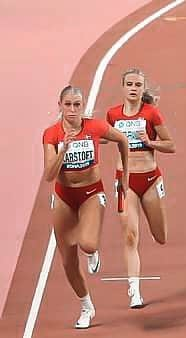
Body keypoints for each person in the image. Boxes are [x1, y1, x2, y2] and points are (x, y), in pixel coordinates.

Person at [42, 85, 129, 328]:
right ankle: (86, 306)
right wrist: (63, 149)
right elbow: (49, 175)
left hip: (91, 193)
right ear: (60, 106)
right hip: (63, 197)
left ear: (83, 106)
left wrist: (125, 175)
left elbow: (122, 139)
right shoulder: (51, 134)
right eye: (67, 104)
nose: (72, 110)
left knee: (87, 243)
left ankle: (92, 251)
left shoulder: (95, 127)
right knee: (68, 260)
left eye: (77, 105)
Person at [106, 68, 175, 308]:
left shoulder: (152, 114)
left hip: (150, 179)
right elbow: (104, 135)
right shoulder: (113, 114)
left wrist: (149, 142)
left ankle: (135, 284)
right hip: (125, 182)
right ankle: (134, 289)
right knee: (130, 234)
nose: (133, 88)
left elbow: (170, 145)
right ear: (123, 87)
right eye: (130, 84)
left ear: (142, 88)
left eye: (138, 85)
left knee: (161, 236)